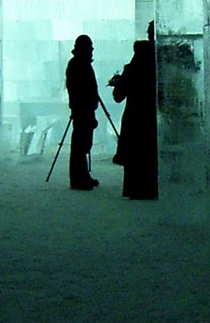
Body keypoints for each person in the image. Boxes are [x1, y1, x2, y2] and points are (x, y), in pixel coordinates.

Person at [109, 23, 158, 199]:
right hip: (156, 119)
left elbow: (118, 95)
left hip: (135, 118)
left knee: (136, 159)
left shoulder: (134, 65)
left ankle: (136, 190)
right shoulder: (165, 61)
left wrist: (120, 81)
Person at [65, 34, 100, 190]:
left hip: (84, 108)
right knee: (80, 145)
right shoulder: (78, 65)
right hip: (82, 109)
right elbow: (78, 89)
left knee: (83, 144)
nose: (92, 50)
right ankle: (79, 179)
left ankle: (82, 176)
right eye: (89, 47)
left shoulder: (79, 63)